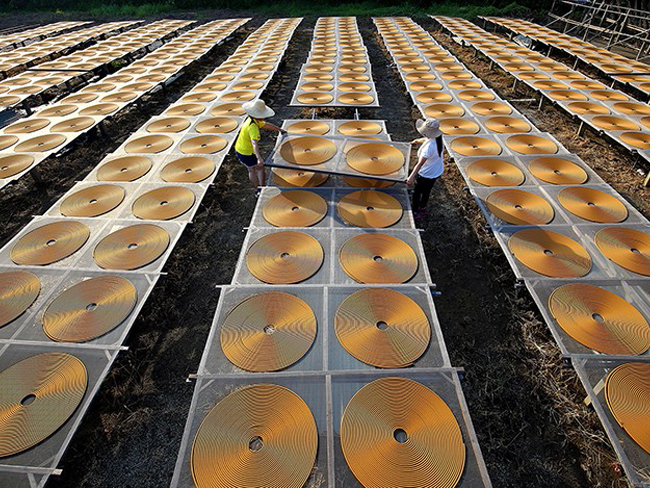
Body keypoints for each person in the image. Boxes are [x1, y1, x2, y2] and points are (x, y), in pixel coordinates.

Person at [234, 99, 285, 195]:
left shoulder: (251, 120)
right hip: (247, 153)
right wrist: (259, 158)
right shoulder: (253, 128)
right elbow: (254, 144)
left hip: (240, 149)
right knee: (258, 169)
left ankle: (259, 188)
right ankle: (259, 190)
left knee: (252, 169)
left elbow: (266, 125)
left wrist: (280, 129)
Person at [406, 118, 444, 219]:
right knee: (427, 191)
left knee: (417, 192)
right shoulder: (438, 139)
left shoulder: (428, 148)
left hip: (426, 174)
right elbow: (426, 139)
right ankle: (423, 208)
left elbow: (419, 164)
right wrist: (417, 141)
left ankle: (415, 211)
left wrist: (411, 177)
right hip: (436, 171)